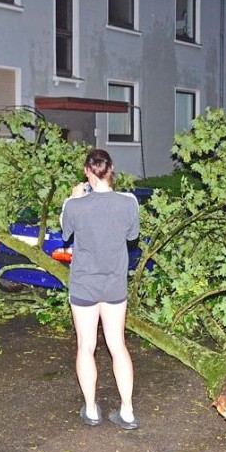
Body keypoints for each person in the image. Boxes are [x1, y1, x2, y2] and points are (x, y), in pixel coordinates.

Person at [60, 149, 141, 430]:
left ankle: (92, 409)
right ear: (111, 169)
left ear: (86, 172)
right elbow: (132, 236)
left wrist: (73, 198)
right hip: (114, 285)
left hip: (84, 285)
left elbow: (65, 233)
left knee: (86, 346)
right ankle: (128, 412)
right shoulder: (129, 203)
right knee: (117, 345)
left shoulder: (74, 205)